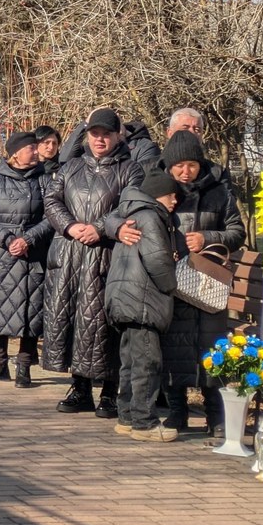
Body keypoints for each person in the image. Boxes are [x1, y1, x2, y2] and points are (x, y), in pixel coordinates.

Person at [42, 107, 144, 418]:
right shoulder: (72, 166)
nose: (100, 139)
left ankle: (109, 391)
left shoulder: (131, 169)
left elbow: (130, 205)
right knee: (73, 320)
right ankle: (80, 387)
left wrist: (98, 227)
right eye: (95, 134)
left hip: (106, 256)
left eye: (106, 134)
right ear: (87, 135)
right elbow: (51, 199)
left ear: (118, 135)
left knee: (104, 323)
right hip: (70, 255)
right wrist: (71, 226)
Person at [153, 130, 244, 435]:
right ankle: (177, 411)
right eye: (179, 166)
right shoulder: (161, 189)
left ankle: (215, 414)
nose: (185, 171)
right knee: (174, 346)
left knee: (210, 347)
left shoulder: (219, 191)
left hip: (207, 283)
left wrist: (209, 237)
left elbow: (236, 231)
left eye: (191, 165)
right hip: (173, 279)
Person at [0, 132, 53, 388]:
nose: (37, 152)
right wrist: (7, 239)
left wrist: (28, 239)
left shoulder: (45, 179)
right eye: (31, 148)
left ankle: (25, 367)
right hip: (0, 253)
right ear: (15, 152)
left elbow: (52, 216)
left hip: (32, 254)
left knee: (31, 311)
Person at [106, 167, 181, 442]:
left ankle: (126, 417)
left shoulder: (131, 214)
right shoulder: (151, 218)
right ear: (159, 195)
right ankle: (145, 422)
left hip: (124, 299)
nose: (175, 201)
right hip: (144, 302)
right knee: (148, 362)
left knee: (129, 361)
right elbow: (158, 259)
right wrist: (172, 285)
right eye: (172, 195)